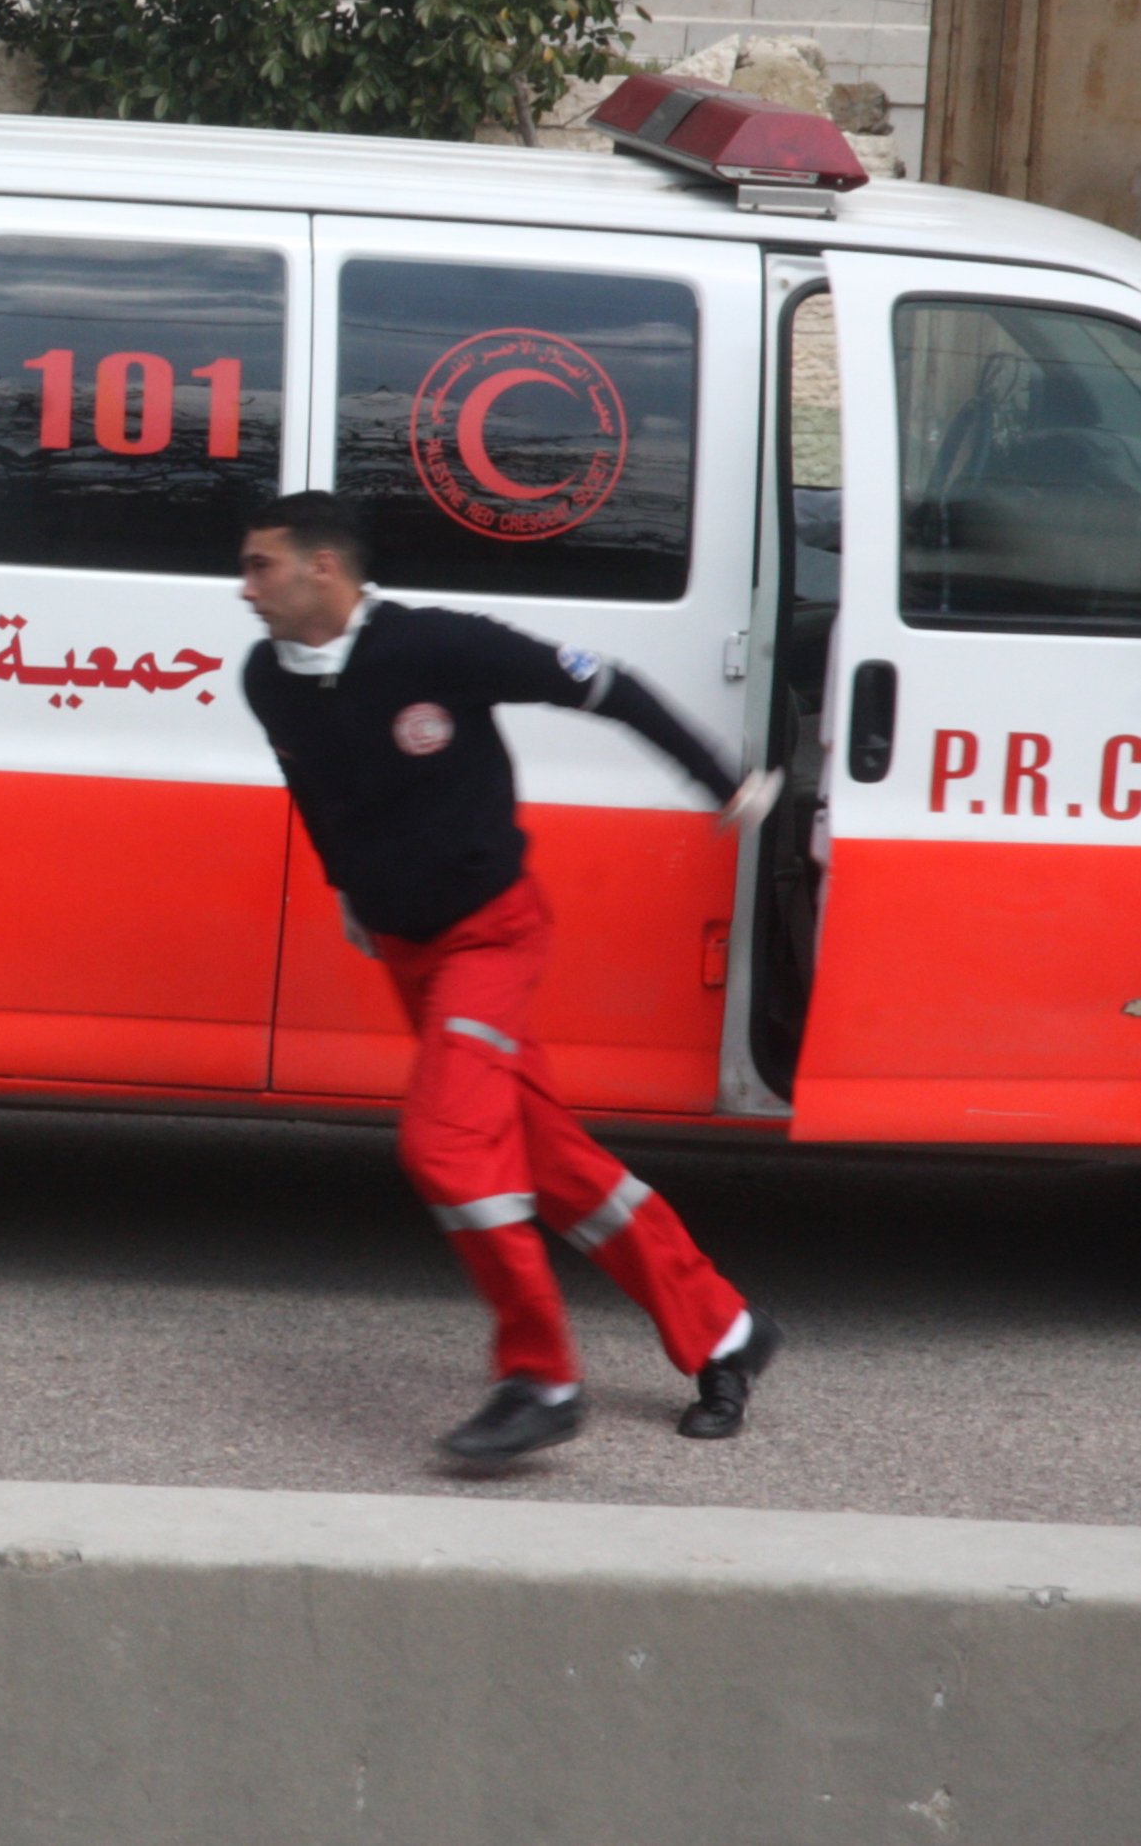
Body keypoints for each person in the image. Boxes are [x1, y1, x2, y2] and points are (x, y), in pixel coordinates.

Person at [236, 491, 785, 1460]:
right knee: (547, 1162)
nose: (243, 589)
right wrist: (347, 893)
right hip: (410, 956)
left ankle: (538, 1375)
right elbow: (314, 790)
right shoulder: (265, 678)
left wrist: (722, 781)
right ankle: (724, 1328)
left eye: (258, 567)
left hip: (489, 937)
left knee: (446, 1147)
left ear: (323, 568)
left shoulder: (434, 646)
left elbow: (602, 686)